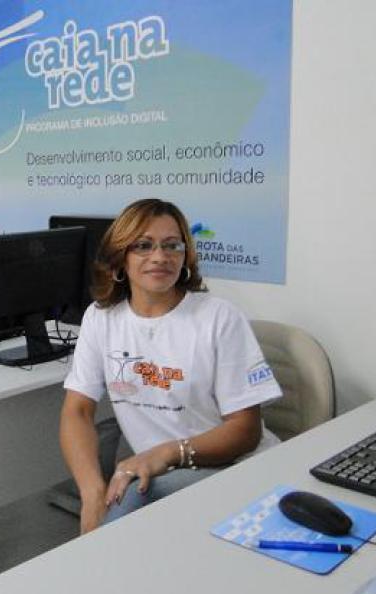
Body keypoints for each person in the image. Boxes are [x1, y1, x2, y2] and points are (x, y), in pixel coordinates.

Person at [60, 198, 282, 534]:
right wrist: (91, 494)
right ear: (121, 257)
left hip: (234, 468)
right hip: (159, 472)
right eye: (143, 245)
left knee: (125, 513)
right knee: (115, 514)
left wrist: (167, 453)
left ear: (185, 256)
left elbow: (246, 431)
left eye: (172, 245)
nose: (160, 256)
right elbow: (77, 411)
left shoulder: (218, 318)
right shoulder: (101, 318)